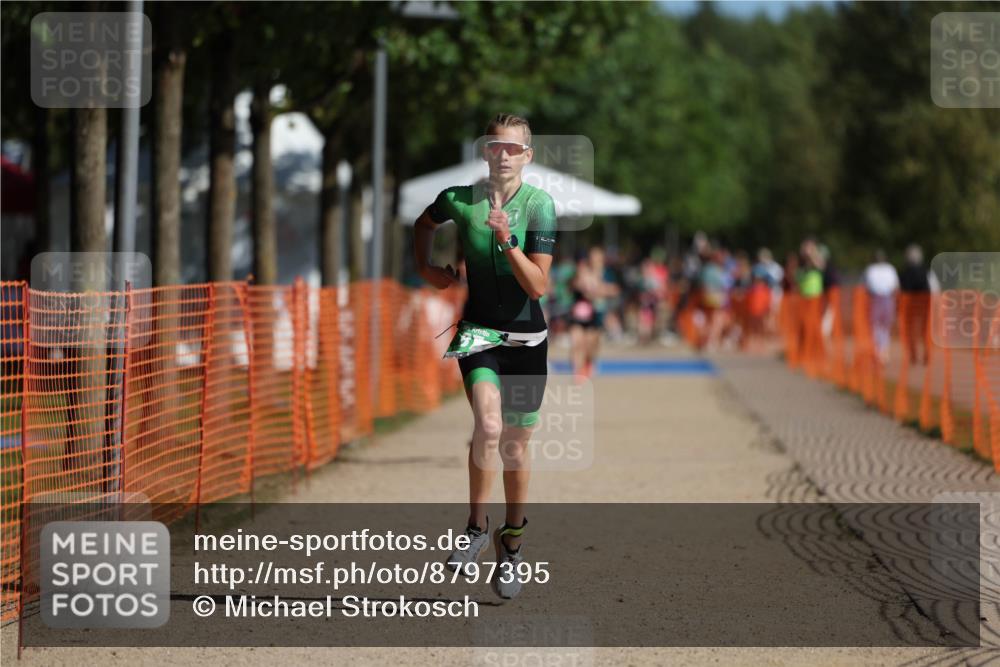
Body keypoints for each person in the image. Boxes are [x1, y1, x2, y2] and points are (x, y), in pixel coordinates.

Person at [412, 113, 556, 600]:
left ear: (527, 156)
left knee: (516, 445)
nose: (503, 154)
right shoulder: (458, 199)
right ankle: (475, 526)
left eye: (512, 148)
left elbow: (538, 285)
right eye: (495, 146)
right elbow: (423, 223)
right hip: (478, 333)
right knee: (489, 428)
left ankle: (511, 542)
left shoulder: (540, 206)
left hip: (527, 340)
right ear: (485, 152)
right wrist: (427, 268)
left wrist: (505, 240)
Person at [898, 244, 937, 365]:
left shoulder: (904, 273)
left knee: (911, 330)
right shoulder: (926, 271)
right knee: (926, 330)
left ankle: (913, 355)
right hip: (926, 304)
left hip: (909, 306)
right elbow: (934, 287)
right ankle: (927, 354)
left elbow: (900, 290)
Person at [864, 249, 900, 364]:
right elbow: (896, 286)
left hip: (880, 299)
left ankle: (881, 351)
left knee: (879, 326)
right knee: (881, 326)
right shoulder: (885, 269)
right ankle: (881, 351)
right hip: (883, 299)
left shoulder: (873, 269)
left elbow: (867, 286)